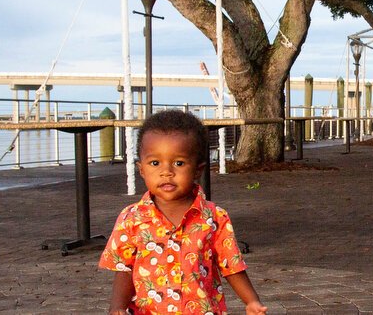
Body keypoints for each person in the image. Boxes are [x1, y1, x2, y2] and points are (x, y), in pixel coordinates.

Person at [100, 110, 267, 315]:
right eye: (155, 163)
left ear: (198, 170)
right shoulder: (131, 218)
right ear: (141, 169)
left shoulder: (215, 217)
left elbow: (231, 265)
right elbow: (124, 270)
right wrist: (117, 306)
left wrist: (251, 300)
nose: (166, 171)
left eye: (179, 163)